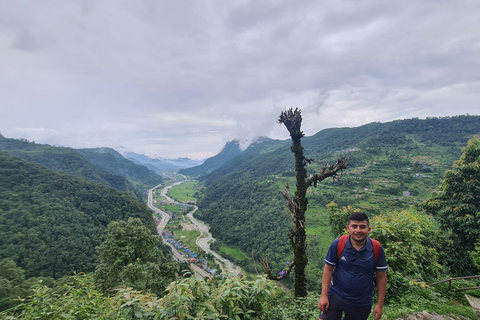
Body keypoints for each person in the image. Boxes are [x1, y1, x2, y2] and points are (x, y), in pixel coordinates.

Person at [318, 212, 387, 320]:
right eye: (354, 226)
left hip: (361, 302)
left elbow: (381, 277)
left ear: (368, 229)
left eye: (362, 227)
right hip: (336, 295)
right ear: (348, 228)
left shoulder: (376, 248)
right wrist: (324, 296)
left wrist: (379, 304)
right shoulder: (338, 244)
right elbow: (328, 269)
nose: (358, 230)